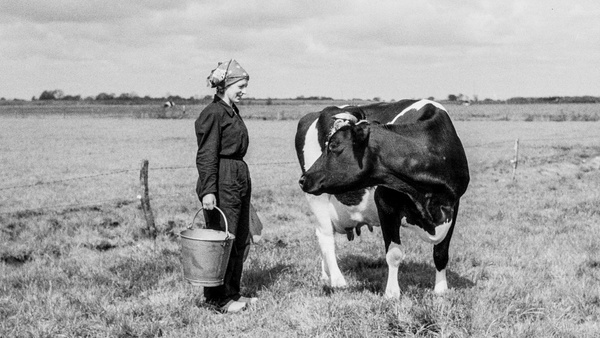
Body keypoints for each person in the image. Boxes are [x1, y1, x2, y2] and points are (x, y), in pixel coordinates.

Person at [195, 59, 257, 313]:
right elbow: (206, 154)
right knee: (223, 240)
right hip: (222, 178)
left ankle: (232, 293)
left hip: (237, 175)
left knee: (238, 239)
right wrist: (209, 189)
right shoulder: (213, 113)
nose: (243, 90)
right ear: (226, 84)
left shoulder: (231, 111)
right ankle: (217, 299)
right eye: (240, 86)